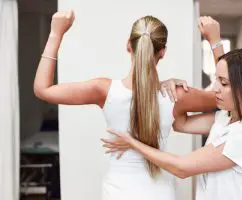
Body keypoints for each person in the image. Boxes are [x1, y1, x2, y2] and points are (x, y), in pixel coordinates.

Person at [34, 10, 224, 200]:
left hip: (119, 192)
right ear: (163, 52)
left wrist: (55, 34)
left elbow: (42, 89)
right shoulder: (177, 95)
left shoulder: (104, 90)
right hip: (161, 193)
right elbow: (238, 96)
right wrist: (215, 42)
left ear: (128, 45)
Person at [103, 48, 242, 200]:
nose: (216, 88)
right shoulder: (226, 118)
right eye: (217, 79)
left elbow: (182, 168)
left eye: (223, 83)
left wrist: (133, 143)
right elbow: (181, 123)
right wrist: (169, 87)